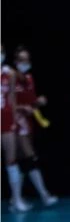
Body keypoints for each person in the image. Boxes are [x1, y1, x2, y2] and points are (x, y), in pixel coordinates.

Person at [13, 46, 58, 207]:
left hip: (29, 123)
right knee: (29, 158)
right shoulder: (10, 78)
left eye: (27, 60)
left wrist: (38, 102)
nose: (24, 63)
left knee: (22, 161)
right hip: (14, 123)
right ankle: (44, 195)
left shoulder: (30, 78)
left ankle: (15, 199)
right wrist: (20, 108)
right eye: (21, 60)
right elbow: (6, 102)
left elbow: (31, 103)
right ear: (15, 61)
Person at [2, 44, 31, 212]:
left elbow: (12, 97)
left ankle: (16, 199)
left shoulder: (9, 73)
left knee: (11, 160)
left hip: (6, 119)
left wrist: (14, 118)